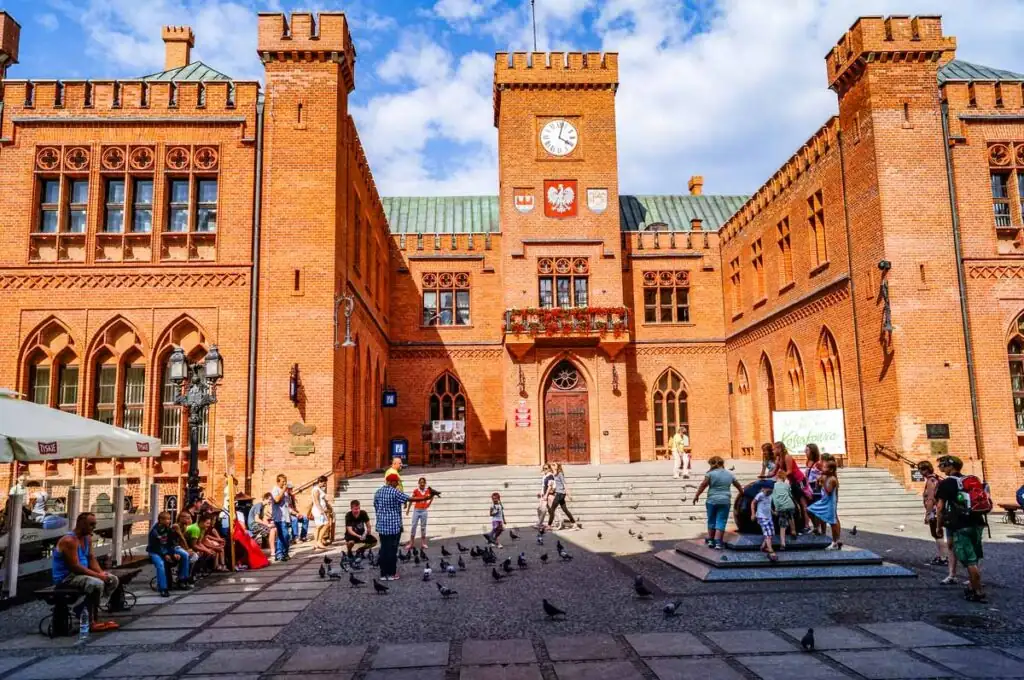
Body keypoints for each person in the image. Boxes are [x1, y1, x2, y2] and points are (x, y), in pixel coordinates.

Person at [51, 512, 120, 632]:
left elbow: (91, 558)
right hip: (67, 578)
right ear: (81, 524)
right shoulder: (69, 541)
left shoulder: (87, 538)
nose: (94, 527)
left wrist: (101, 573)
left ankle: (84, 607)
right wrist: (98, 576)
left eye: (95, 524)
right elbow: (75, 567)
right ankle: (88, 617)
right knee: (96, 584)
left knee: (113, 580)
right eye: (91, 524)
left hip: (82, 575)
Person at [935, 455, 986, 602]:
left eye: (943, 465)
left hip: (961, 525)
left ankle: (978, 591)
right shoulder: (969, 480)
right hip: (977, 523)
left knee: (969, 561)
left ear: (950, 466)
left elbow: (940, 507)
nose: (941, 468)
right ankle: (972, 585)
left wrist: (939, 526)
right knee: (974, 558)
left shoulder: (947, 484)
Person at [373, 473, 437, 581]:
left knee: (384, 549)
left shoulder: (378, 492)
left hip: (381, 526)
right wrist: (426, 497)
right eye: (396, 482)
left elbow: (375, 505)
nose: (397, 483)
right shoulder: (394, 492)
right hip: (393, 527)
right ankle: (392, 573)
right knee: (392, 550)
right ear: (390, 482)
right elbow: (410, 499)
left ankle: (383, 574)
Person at [692, 455, 744, 549]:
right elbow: (738, 485)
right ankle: (718, 543)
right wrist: (742, 493)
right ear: (722, 463)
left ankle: (711, 541)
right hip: (725, 501)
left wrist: (696, 496)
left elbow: (703, 485)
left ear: (712, 464)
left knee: (711, 520)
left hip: (712, 500)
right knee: (721, 521)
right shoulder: (730, 474)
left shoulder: (710, 474)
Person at [147, 511, 190, 597]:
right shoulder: (154, 532)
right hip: (155, 552)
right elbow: (156, 547)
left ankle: (182, 579)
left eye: (169, 519)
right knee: (161, 564)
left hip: (166, 550)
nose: (169, 521)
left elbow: (170, 544)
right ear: (160, 520)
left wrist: (173, 553)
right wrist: (165, 555)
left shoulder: (168, 529)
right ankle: (163, 588)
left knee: (184, 555)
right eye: (167, 519)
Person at [774, 441, 810, 532]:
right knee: (796, 503)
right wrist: (766, 476)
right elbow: (775, 471)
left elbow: (789, 471)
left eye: (775, 449)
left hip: (799, 481)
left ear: (780, 448)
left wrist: (781, 478)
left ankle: (807, 525)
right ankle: (800, 524)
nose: (773, 451)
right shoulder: (779, 459)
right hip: (793, 482)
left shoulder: (787, 457)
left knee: (803, 504)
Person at [918, 460, 948, 567]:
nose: (920, 472)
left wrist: (927, 514)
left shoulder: (930, 481)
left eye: (921, 469)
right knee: (938, 534)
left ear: (926, 470)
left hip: (934, 512)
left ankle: (943, 557)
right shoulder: (935, 479)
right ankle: (943, 556)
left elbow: (930, 499)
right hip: (937, 512)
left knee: (937, 534)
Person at [808, 459, 842, 550]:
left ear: (830, 470)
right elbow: (818, 487)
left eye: (824, 467)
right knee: (810, 509)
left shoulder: (832, 479)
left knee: (832, 523)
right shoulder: (826, 477)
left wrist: (823, 482)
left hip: (829, 503)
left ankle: (835, 542)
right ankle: (816, 527)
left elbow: (829, 491)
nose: (823, 469)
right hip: (823, 501)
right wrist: (818, 482)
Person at [771, 466, 796, 549]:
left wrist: (775, 509)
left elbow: (773, 498)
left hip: (781, 507)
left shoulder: (774, 486)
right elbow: (790, 495)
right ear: (784, 478)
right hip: (790, 504)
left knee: (782, 525)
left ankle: (783, 543)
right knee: (791, 516)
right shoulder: (786, 485)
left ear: (777, 477)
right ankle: (793, 531)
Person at [406, 477, 433, 551]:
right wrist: (408, 509)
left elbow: (431, 497)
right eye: (420, 482)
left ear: (425, 483)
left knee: (423, 527)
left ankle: (423, 543)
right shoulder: (416, 491)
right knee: (413, 526)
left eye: (423, 482)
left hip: (424, 511)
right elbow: (411, 500)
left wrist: (428, 505)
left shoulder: (427, 491)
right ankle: (411, 543)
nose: (422, 484)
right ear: (418, 483)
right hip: (416, 511)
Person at [546, 463, 576, 530]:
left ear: (557, 466)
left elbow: (564, 484)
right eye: (552, 465)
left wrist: (569, 494)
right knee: (565, 510)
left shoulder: (560, 474)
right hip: (558, 493)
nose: (552, 466)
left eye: (554, 465)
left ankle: (549, 525)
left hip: (560, 494)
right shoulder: (554, 474)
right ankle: (574, 524)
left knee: (552, 509)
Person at [752, 484, 778, 561]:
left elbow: (768, 506)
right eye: (768, 490)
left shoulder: (770, 495)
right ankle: (771, 551)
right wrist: (753, 514)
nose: (770, 492)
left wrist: (773, 512)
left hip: (769, 517)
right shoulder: (760, 495)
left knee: (772, 533)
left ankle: (763, 546)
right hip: (761, 517)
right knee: (768, 534)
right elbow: (753, 503)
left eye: (771, 491)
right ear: (764, 489)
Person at [269, 474, 291, 562]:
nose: (284, 483)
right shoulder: (275, 489)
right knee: (284, 535)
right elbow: (277, 499)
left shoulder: (284, 491)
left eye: (285, 481)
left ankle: (283, 553)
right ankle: (280, 553)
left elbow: (286, 504)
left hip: (285, 517)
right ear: (278, 481)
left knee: (284, 536)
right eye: (283, 482)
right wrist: (283, 490)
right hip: (279, 517)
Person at [310, 476, 332, 551]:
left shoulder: (318, 489)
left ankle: (316, 543)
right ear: (322, 481)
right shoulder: (316, 489)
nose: (325, 484)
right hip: (318, 511)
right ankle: (318, 541)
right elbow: (316, 501)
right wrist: (321, 510)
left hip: (319, 510)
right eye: (325, 482)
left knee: (319, 526)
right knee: (325, 525)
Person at [535, 464, 556, 531]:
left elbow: (549, 487)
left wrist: (546, 495)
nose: (545, 469)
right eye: (544, 468)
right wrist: (540, 492)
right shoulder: (545, 476)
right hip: (543, 494)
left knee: (544, 510)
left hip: (548, 495)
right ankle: (542, 523)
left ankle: (539, 523)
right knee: (539, 509)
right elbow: (543, 486)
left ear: (549, 469)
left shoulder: (550, 476)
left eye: (546, 468)